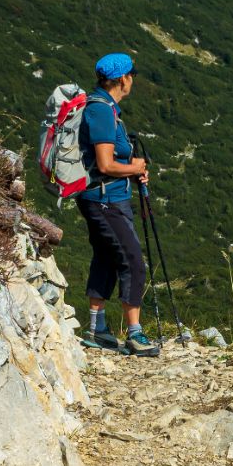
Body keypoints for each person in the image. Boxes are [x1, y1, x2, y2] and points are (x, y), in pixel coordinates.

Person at [74, 52, 159, 356]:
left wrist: (133, 169)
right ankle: (135, 334)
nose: (132, 79)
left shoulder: (105, 107)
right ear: (123, 78)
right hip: (104, 199)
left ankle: (97, 328)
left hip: (106, 196)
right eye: (131, 75)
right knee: (133, 260)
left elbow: (111, 163)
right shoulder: (100, 111)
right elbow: (106, 164)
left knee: (107, 257)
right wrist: (135, 168)